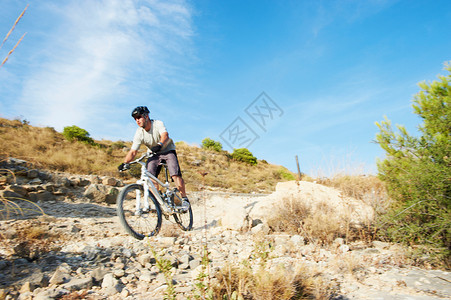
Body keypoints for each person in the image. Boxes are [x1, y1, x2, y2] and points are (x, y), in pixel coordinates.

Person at [118, 106, 189, 209]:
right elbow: (133, 151)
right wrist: (125, 163)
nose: (137, 120)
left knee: (175, 174)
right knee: (150, 177)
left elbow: (165, 135)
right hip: (153, 154)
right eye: (135, 118)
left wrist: (160, 144)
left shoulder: (157, 124)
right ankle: (159, 201)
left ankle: (184, 199)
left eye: (139, 117)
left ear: (146, 116)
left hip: (167, 150)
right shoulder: (139, 133)